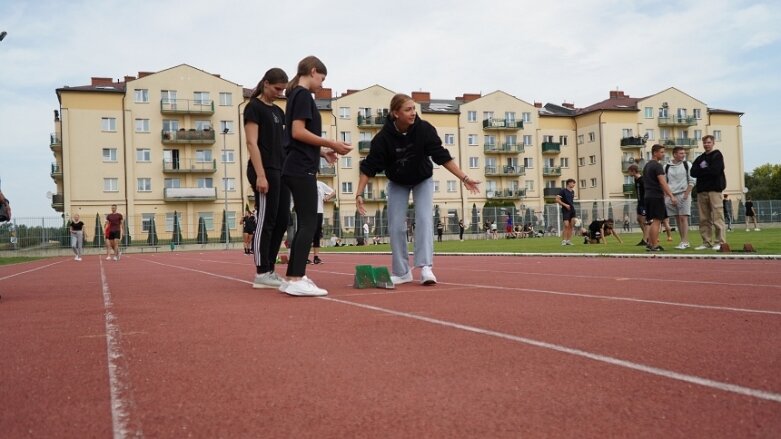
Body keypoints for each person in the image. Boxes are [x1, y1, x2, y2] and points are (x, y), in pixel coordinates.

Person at [356, 93, 480, 286]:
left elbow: (441, 156)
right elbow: (369, 166)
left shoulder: (424, 130)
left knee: (423, 219)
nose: (413, 113)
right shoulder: (383, 139)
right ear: (396, 113)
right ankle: (402, 271)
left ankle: (425, 268)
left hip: (423, 179)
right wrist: (359, 193)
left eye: (414, 108)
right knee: (396, 226)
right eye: (408, 110)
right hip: (398, 182)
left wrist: (464, 178)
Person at [281, 56, 352, 296]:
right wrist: (330, 141)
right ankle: (296, 277)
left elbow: (297, 137)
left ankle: (292, 276)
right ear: (313, 72)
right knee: (309, 223)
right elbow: (298, 132)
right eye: (322, 78)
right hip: (300, 168)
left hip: (299, 164)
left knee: (307, 222)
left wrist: (322, 152)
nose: (322, 84)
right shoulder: (302, 95)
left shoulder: (296, 96)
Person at [244, 67, 292, 289]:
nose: (279, 93)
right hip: (263, 169)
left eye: (283, 90)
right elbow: (251, 142)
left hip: (280, 170)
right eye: (276, 88)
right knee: (267, 219)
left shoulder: (279, 112)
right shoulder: (253, 107)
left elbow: (287, 143)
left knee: (282, 219)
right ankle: (261, 271)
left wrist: (321, 151)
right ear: (265, 83)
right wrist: (261, 175)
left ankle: (270, 269)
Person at [690, 135, 727, 250]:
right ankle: (706, 242)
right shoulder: (700, 158)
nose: (706, 144)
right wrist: (705, 169)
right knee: (704, 218)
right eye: (705, 142)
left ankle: (720, 242)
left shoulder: (717, 155)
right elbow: (693, 172)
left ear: (713, 143)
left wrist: (702, 170)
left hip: (714, 190)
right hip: (702, 191)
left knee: (717, 216)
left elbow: (715, 171)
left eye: (709, 142)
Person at [642, 144, 677, 252]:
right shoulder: (657, 166)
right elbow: (662, 182)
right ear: (655, 153)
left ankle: (650, 243)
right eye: (661, 152)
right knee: (657, 221)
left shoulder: (647, 166)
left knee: (652, 221)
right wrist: (671, 195)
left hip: (648, 195)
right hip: (656, 196)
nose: (663, 154)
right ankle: (654, 245)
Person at [664, 146, 696, 250]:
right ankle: (682, 241)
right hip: (671, 195)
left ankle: (685, 241)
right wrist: (669, 196)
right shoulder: (666, 167)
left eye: (684, 153)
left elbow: (692, 180)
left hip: (684, 193)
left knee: (683, 217)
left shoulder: (687, 165)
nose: (683, 155)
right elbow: (665, 182)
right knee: (677, 218)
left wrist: (686, 194)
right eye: (681, 153)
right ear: (675, 154)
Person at [307, 180, 335, 264]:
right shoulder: (306, 182)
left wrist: (327, 197)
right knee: (308, 235)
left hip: (319, 211)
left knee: (317, 235)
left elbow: (333, 192)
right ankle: (304, 257)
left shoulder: (320, 184)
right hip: (308, 212)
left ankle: (316, 258)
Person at [626, 164, 649, 247]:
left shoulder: (642, 180)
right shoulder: (636, 180)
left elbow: (647, 191)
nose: (628, 173)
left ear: (633, 171)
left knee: (645, 221)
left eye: (629, 171)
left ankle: (645, 240)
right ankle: (647, 237)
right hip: (640, 202)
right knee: (639, 219)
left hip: (644, 203)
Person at [555, 178, 577, 245]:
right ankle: (564, 240)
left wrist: (570, 206)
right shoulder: (563, 191)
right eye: (572, 183)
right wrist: (565, 205)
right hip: (565, 210)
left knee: (571, 226)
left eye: (574, 183)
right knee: (566, 225)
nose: (573, 184)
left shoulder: (572, 192)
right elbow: (557, 200)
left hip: (572, 210)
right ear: (569, 183)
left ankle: (568, 241)